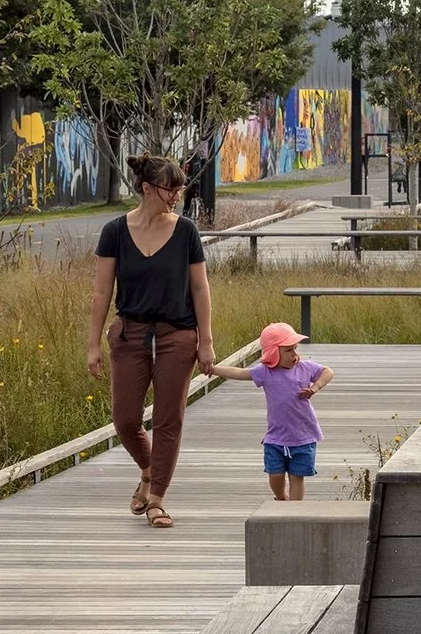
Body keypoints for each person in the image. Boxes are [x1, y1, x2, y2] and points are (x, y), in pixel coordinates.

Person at [86, 154, 215, 529]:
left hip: (178, 334)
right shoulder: (114, 231)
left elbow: (200, 287)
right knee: (125, 419)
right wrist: (93, 344)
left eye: (180, 188)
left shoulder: (186, 231)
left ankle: (157, 498)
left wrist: (205, 341)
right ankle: (147, 468)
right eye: (170, 188)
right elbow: (100, 293)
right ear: (146, 188)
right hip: (130, 333)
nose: (177, 195)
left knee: (167, 418)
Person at [206, 321, 335, 500]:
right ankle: (282, 497)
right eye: (288, 350)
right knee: (275, 474)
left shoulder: (305, 368)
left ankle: (294, 511)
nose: (294, 355)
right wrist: (213, 369)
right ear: (274, 353)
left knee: (297, 477)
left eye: (295, 349)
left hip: (303, 437)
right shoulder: (266, 372)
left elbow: (328, 371)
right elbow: (239, 373)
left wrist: (315, 387)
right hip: (276, 438)